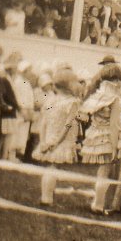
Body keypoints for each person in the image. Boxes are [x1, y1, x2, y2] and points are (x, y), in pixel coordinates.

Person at [78, 63, 121, 214]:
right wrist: (115, 145)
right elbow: (114, 125)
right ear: (117, 80)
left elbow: (83, 115)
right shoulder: (115, 99)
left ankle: (97, 203)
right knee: (105, 172)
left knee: (101, 172)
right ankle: (98, 205)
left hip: (95, 134)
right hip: (107, 137)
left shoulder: (97, 95)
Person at [32, 71, 80, 206]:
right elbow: (68, 124)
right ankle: (46, 198)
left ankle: (48, 196)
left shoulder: (50, 100)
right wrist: (57, 142)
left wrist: (43, 141)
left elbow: (43, 123)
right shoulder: (72, 102)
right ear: (69, 85)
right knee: (52, 167)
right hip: (60, 140)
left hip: (49, 137)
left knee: (51, 167)